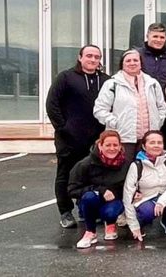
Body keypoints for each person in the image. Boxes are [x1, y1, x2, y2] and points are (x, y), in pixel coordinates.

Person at [48, 44, 110, 229]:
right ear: (80, 57)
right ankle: (65, 212)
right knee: (65, 175)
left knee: (91, 176)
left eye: (96, 57)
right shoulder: (66, 77)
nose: (93, 59)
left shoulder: (106, 81)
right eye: (89, 56)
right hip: (69, 138)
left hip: (95, 139)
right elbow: (52, 104)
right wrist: (63, 128)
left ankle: (85, 209)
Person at [94, 50, 166, 161]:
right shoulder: (112, 84)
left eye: (135, 60)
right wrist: (115, 123)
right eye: (128, 61)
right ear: (122, 64)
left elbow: (162, 107)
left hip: (148, 139)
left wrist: (158, 122)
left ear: (141, 63)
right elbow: (99, 109)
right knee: (124, 168)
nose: (132, 63)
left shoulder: (152, 83)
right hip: (123, 138)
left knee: (146, 169)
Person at [68, 130, 129, 248]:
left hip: (114, 200)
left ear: (120, 146)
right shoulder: (85, 164)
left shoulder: (126, 164)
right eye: (108, 145)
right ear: (100, 146)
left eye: (115, 145)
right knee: (89, 196)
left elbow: (129, 186)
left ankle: (110, 223)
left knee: (110, 212)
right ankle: (90, 232)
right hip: (91, 201)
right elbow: (72, 190)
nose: (112, 148)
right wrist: (101, 190)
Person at [124, 130, 166, 240]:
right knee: (147, 212)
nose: (156, 145)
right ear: (144, 146)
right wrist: (134, 225)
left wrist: (161, 202)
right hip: (144, 199)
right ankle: (141, 224)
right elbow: (127, 195)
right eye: (152, 142)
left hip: (164, 196)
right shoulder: (136, 165)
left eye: (159, 142)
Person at [137, 23, 166, 152]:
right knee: (142, 148)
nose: (158, 40)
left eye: (162, 37)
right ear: (147, 36)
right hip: (142, 111)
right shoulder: (136, 56)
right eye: (155, 36)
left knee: (164, 148)